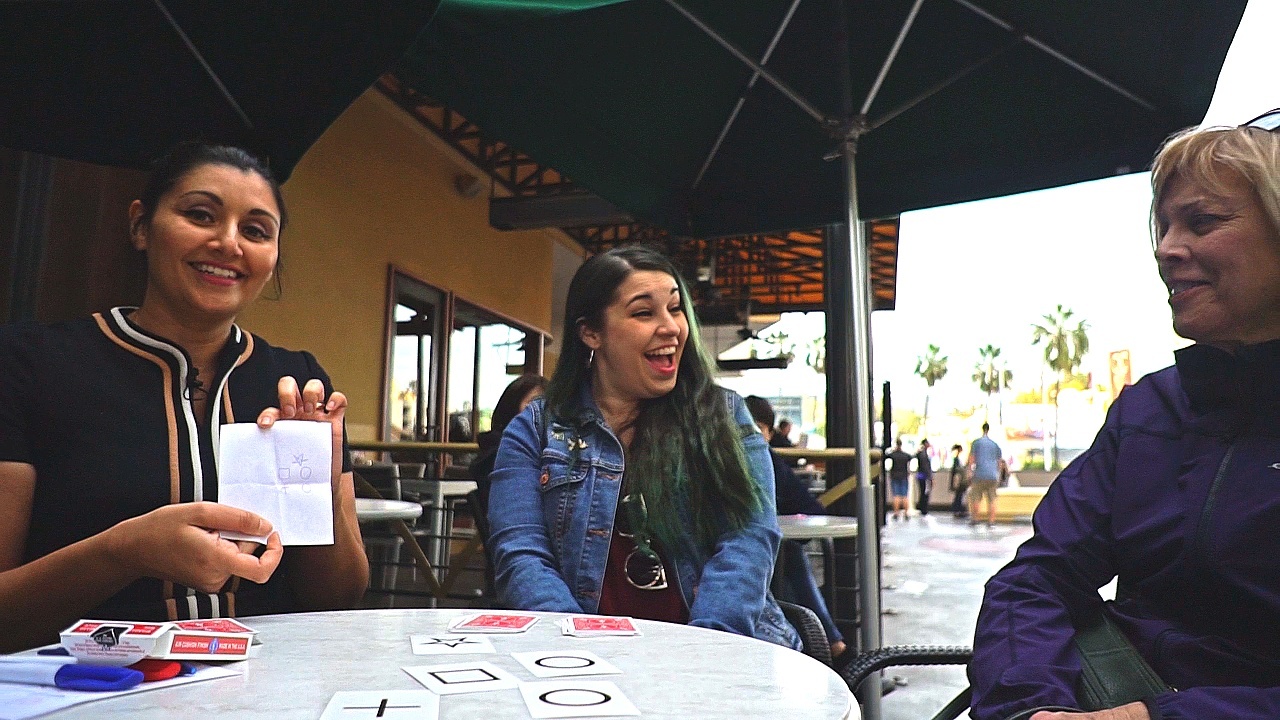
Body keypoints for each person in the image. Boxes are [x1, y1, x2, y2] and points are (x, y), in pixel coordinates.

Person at [969, 114, 1280, 720]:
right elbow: (1036, 579)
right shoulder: (1148, 410)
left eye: (1202, 222)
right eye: (1163, 227)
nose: (1166, 249)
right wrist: (1029, 704)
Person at [0, 142, 368, 652]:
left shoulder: (298, 381)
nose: (228, 243)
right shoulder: (28, 363)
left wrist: (321, 488)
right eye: (200, 215)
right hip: (84, 682)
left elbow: (338, 600)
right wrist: (124, 552)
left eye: (256, 231)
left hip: (267, 681)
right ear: (140, 226)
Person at [488, 245, 800, 650]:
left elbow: (749, 538)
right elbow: (521, 554)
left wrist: (708, 648)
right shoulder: (534, 430)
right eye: (643, 313)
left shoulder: (723, 416)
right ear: (591, 333)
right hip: (579, 659)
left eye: (675, 308)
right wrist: (578, 647)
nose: (671, 327)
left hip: (719, 651)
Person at [744, 395, 847, 659]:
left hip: (764, 558)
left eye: (756, 429)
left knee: (786, 553)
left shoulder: (769, 463)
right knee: (786, 555)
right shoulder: (728, 464)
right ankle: (831, 644)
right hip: (744, 559)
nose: (748, 437)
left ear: (769, 433)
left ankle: (826, 643)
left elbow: (811, 508)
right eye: (743, 429)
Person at [468, 373, 547, 505]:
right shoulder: (496, 456)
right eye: (534, 404)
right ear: (511, 407)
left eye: (547, 406)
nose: (541, 411)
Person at [965, 423, 1001, 528]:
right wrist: (997, 473)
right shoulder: (995, 444)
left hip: (979, 474)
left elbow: (972, 459)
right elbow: (999, 462)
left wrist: (970, 472)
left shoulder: (976, 443)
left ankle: (975, 519)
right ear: (989, 430)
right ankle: (991, 521)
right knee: (992, 499)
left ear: (982, 429)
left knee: (976, 497)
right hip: (992, 475)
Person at [886, 438, 913, 521]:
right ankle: (906, 513)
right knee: (905, 496)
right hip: (904, 476)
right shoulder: (906, 455)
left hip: (894, 476)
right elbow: (911, 457)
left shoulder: (893, 455)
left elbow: (886, 455)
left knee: (896, 496)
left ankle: (896, 513)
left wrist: (891, 450)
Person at [914, 438, 934, 516]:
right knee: (925, 493)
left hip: (921, 476)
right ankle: (924, 509)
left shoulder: (921, 453)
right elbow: (926, 467)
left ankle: (922, 507)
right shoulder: (924, 454)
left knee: (922, 492)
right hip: (924, 477)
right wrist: (930, 477)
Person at [948, 443, 969, 518]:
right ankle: (957, 510)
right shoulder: (956, 459)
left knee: (958, 495)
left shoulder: (957, 459)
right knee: (959, 495)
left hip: (958, 480)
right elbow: (957, 470)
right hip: (959, 481)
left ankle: (957, 510)